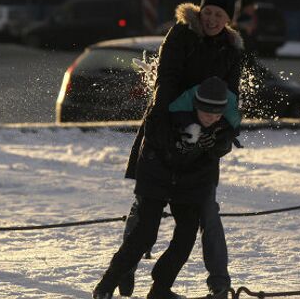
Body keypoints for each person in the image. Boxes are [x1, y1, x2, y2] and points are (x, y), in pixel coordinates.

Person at [107, 0, 244, 299]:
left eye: (218, 15)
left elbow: (232, 98)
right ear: (200, 10)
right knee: (145, 205)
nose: (211, 19)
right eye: (207, 12)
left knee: (206, 209)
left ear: (228, 19)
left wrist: (223, 132)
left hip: (204, 139)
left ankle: (219, 283)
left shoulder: (231, 49)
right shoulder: (181, 34)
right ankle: (125, 269)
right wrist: (168, 129)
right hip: (164, 126)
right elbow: (165, 82)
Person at [93, 77, 240, 299]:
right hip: (156, 176)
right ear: (195, 106)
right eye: (207, 112)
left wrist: (215, 145)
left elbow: (219, 148)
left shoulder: (222, 126)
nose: (212, 118)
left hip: (191, 184)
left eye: (217, 113)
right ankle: (107, 284)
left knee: (186, 236)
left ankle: (160, 287)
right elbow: (155, 141)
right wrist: (180, 145)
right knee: (145, 233)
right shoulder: (169, 114)